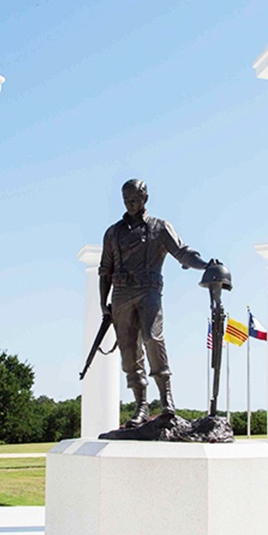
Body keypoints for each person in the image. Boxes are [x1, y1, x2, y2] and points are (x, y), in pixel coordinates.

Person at [99, 179, 212, 427]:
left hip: (148, 290)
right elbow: (105, 270)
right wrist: (103, 303)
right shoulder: (113, 233)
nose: (130, 203)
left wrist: (206, 265)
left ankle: (166, 401)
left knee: (152, 338)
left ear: (145, 198)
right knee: (129, 353)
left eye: (135, 199)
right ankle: (141, 407)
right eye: (126, 199)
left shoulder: (160, 228)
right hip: (120, 295)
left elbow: (183, 253)